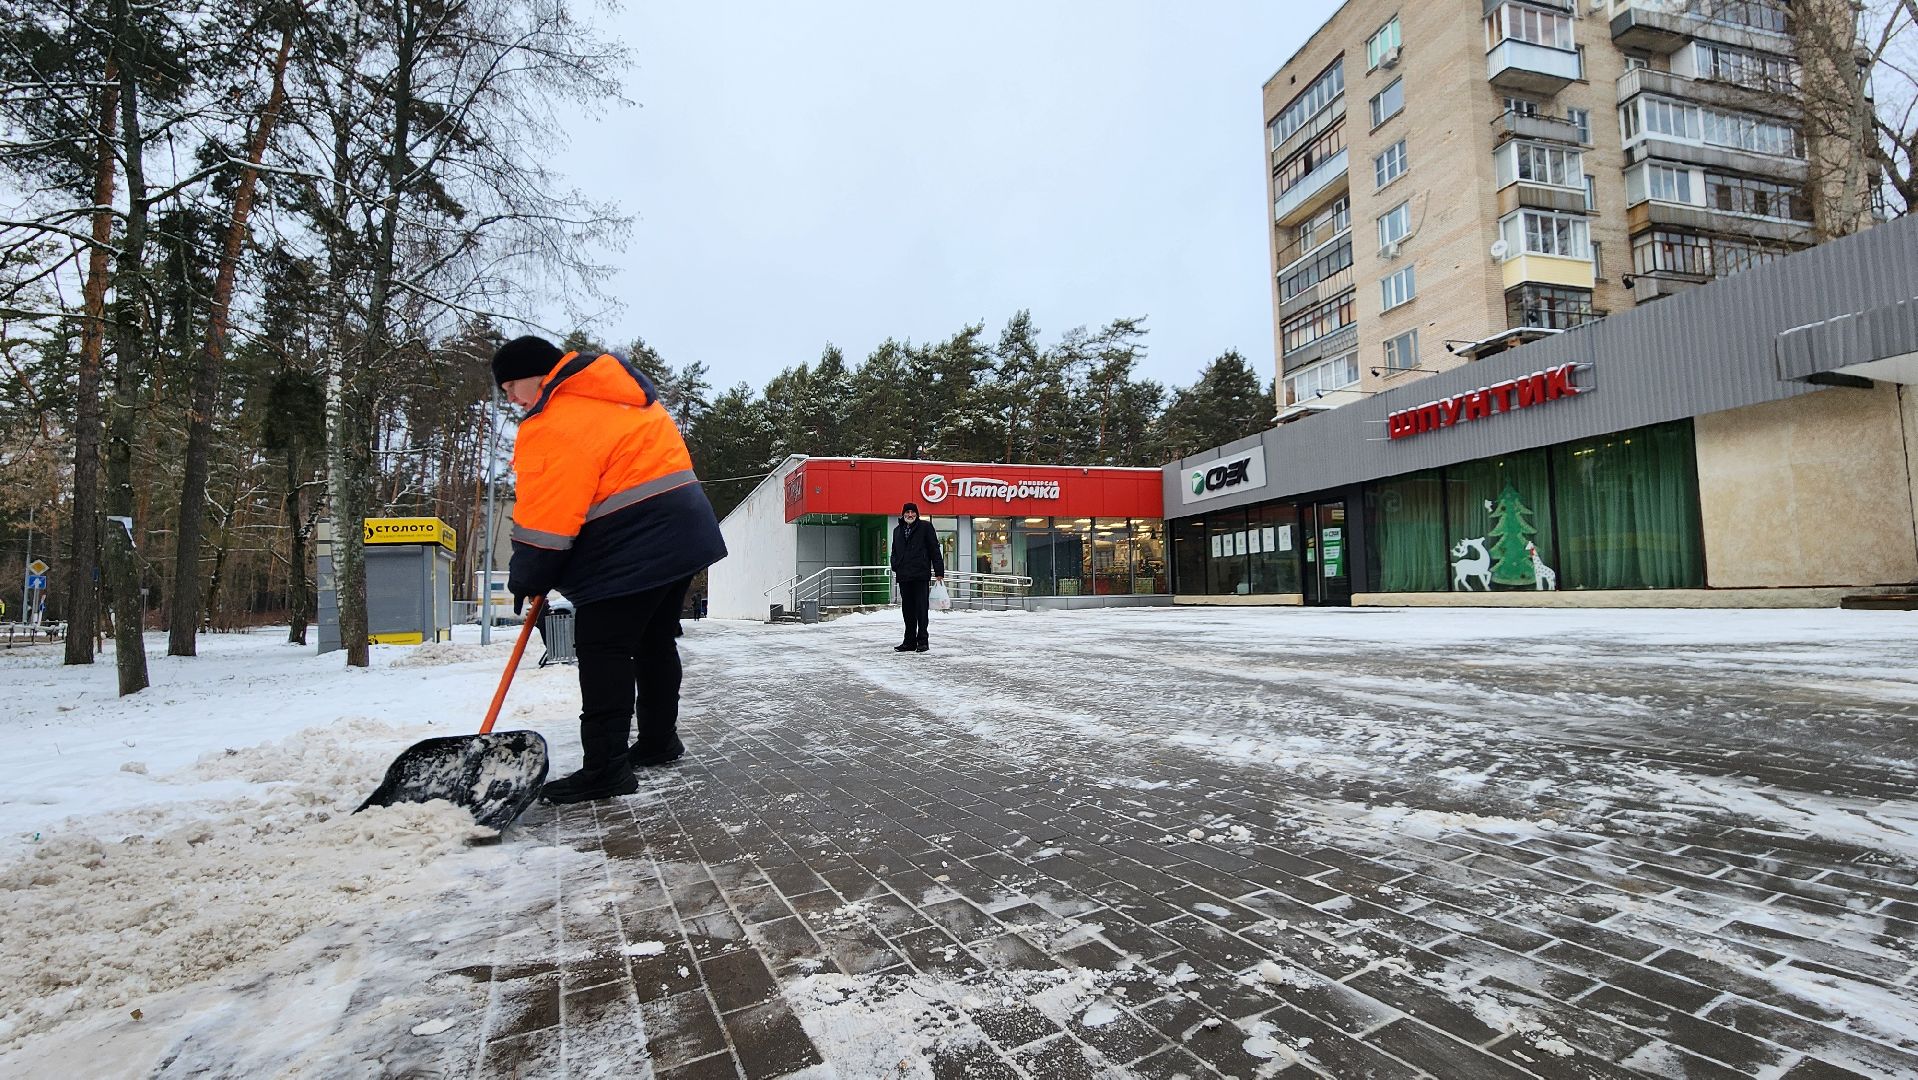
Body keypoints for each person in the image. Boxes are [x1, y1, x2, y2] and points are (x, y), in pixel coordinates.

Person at [493, 335, 727, 805]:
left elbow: (549, 514)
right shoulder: (621, 397)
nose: (512, 400)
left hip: (632, 542)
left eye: (510, 387)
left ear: (536, 376)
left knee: (603, 647)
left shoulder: (554, 420)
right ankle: (658, 741)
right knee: (653, 640)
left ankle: (605, 770)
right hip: (683, 532)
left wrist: (529, 571)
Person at [889, 502, 944, 653]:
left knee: (921, 609)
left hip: (920, 575)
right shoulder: (897, 530)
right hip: (904, 575)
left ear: (917, 514)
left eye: (913, 512)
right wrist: (895, 565)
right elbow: (894, 551)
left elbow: (934, 549)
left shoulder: (925, 527)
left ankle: (923, 641)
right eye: (907, 512)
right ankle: (909, 642)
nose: (910, 515)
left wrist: (939, 571)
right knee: (907, 610)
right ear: (903, 514)